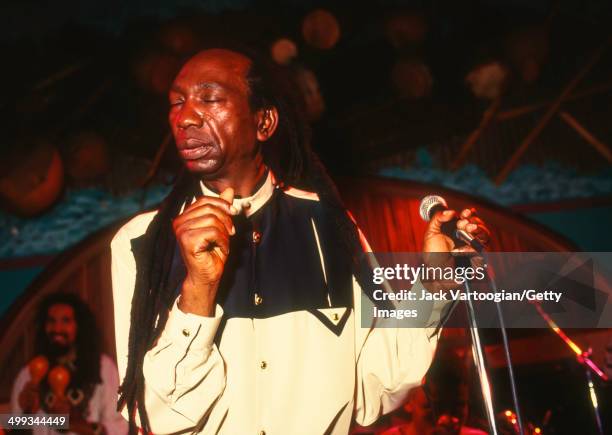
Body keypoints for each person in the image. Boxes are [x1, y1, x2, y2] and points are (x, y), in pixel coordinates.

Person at [111, 47, 490, 434]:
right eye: (177, 102)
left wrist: (432, 286)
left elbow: (379, 381)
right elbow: (156, 414)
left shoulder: (331, 225)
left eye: (209, 99)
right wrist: (198, 290)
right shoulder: (140, 243)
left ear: (264, 122)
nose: (185, 117)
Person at [11, 293, 128, 435]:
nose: (57, 328)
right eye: (51, 321)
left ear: (79, 326)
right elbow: (12, 426)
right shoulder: (28, 373)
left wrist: (73, 422)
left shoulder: (103, 368)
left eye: (66, 321)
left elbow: (119, 427)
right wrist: (27, 413)